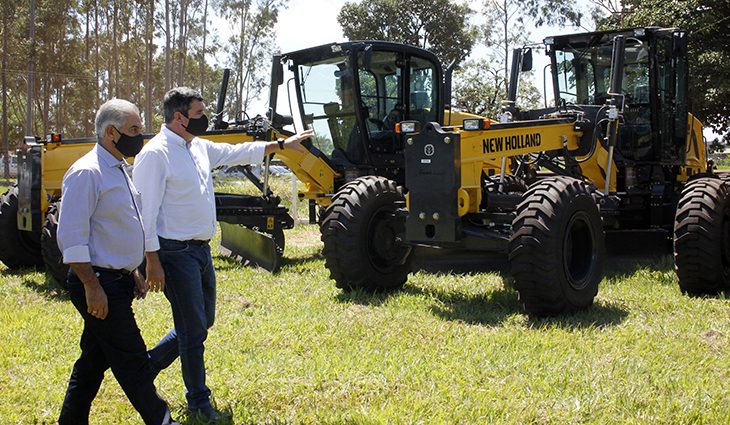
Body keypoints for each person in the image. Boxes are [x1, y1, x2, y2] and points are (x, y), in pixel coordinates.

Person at [133, 87, 313, 421]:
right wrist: (152, 260)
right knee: (193, 332)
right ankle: (198, 401)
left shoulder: (197, 147)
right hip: (174, 252)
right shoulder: (155, 155)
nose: (205, 120)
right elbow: (144, 213)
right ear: (179, 117)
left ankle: (148, 365)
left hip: (201, 250)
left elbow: (237, 152)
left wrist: (281, 146)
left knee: (202, 322)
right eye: (200, 114)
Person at [57, 99, 176, 425]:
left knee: (93, 360)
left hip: (116, 280)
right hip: (97, 283)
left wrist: (131, 270)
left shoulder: (120, 168)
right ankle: (161, 419)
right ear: (111, 132)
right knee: (132, 358)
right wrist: (92, 286)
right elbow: (72, 238)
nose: (140, 136)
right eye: (134, 129)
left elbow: (120, 227)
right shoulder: (87, 172)